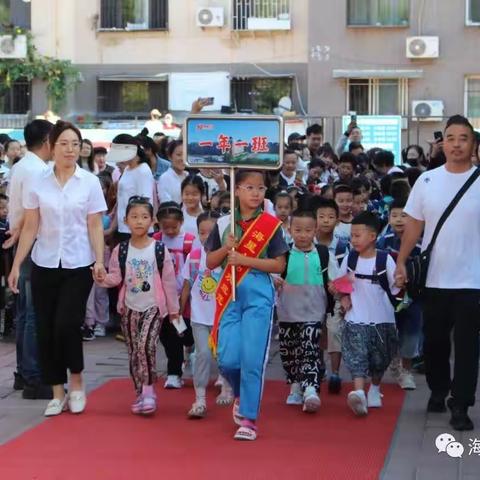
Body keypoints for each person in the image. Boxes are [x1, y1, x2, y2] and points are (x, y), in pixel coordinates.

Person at [8, 120, 107, 417]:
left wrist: (100, 259)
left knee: (66, 324)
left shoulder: (89, 181)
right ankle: (57, 390)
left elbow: (94, 224)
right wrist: (16, 265)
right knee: (45, 329)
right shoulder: (39, 181)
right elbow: (31, 227)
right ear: (52, 146)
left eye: (75, 144)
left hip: (79, 263)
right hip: (44, 262)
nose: (70, 150)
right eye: (64, 144)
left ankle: (76, 383)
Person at [395, 115, 480, 431]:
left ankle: (461, 404)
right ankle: (439, 388)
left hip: (473, 281)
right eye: (451, 138)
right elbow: (414, 225)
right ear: (442, 142)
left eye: (464, 138)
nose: (457, 144)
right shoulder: (427, 180)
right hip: (434, 279)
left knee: (469, 346)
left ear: (473, 144)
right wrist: (402, 262)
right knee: (434, 343)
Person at [206, 170, 288, 441]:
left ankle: (250, 419)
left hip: (259, 294)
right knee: (226, 357)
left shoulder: (270, 225)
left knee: (252, 359)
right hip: (229, 293)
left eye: (261, 188)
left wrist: (244, 260)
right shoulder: (223, 224)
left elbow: (279, 265)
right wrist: (225, 249)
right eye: (249, 187)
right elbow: (210, 262)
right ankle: (241, 392)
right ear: (237, 190)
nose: (256, 193)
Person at [96, 196, 179, 415]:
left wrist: (174, 311)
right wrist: (102, 278)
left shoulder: (159, 249)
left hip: (153, 306)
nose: (139, 221)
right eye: (134, 217)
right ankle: (140, 392)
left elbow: (169, 282)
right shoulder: (121, 250)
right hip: (129, 306)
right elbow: (116, 277)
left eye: (144, 217)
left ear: (153, 222)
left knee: (146, 346)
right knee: (134, 351)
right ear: (125, 221)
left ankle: (150, 391)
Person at [6, 119, 54, 399]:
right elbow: (31, 210)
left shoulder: (22, 166)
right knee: (34, 313)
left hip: (24, 244)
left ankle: (25, 374)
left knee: (26, 312)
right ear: (47, 140)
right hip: (33, 244)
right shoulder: (38, 170)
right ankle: (34, 377)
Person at [276, 209, 338, 413]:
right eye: (298, 230)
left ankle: (311, 388)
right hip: (286, 313)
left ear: (315, 230)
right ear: (290, 229)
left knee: (310, 349)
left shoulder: (322, 254)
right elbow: (271, 275)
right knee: (290, 352)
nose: (303, 235)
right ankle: (295, 385)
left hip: (313, 312)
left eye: (308, 230)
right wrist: (274, 280)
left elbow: (334, 280)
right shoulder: (283, 254)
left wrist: (335, 288)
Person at [339, 211, 399, 416]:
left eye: (358, 235)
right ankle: (358, 393)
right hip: (356, 318)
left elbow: (396, 289)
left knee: (380, 358)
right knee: (357, 357)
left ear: (372, 236)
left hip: (383, 318)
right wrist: (342, 296)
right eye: (352, 235)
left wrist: (401, 283)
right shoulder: (350, 258)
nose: (353, 240)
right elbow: (342, 282)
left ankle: (374, 388)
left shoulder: (385, 260)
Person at [180, 211, 233, 418]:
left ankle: (227, 387)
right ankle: (200, 398)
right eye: (202, 233)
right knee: (202, 354)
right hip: (199, 317)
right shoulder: (193, 258)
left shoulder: (228, 257)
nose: (205, 237)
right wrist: (178, 310)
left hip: (223, 316)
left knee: (224, 355)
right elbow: (186, 286)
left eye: (210, 233)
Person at [377, 199, 422, 390]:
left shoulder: (421, 243)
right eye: (394, 215)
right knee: (390, 332)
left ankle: (406, 370)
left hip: (413, 297)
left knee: (411, 332)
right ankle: (395, 364)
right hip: (388, 296)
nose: (399, 220)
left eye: (404, 215)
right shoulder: (383, 241)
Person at [154, 202, 195, 389]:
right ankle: (174, 372)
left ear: (181, 222)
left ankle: (190, 347)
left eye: (174, 227)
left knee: (186, 331)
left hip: (185, 296)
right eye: (165, 227)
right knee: (169, 335)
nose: (170, 231)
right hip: (162, 296)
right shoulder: (155, 241)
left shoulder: (189, 241)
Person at [314, 198, 349, 394]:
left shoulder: (343, 246)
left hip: (334, 297)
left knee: (335, 333)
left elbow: (347, 273)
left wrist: (342, 293)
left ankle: (335, 372)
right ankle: (319, 367)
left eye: (330, 217)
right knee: (317, 334)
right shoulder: (306, 243)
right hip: (312, 298)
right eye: (321, 217)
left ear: (337, 220)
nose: (326, 221)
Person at [106, 134, 156, 243]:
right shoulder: (127, 169)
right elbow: (121, 202)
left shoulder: (143, 171)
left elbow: (145, 203)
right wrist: (112, 228)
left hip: (137, 231)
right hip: (124, 228)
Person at [157, 140, 188, 204]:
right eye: (179, 155)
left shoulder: (188, 176)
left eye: (185, 155)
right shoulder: (164, 178)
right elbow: (166, 205)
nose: (183, 158)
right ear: (170, 157)